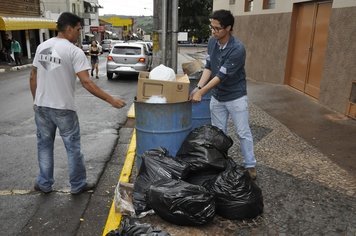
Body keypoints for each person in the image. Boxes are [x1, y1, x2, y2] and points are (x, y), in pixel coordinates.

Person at [29, 12, 127, 195]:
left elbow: (33, 76)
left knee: (44, 146)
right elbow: (87, 82)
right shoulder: (74, 51)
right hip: (63, 108)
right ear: (68, 28)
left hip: (42, 107)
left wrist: (37, 101)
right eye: (78, 29)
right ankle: (78, 184)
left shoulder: (42, 46)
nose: (79, 33)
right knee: (73, 147)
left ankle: (44, 183)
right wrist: (111, 100)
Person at [190, 9, 257, 180]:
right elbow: (209, 67)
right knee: (218, 134)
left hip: (236, 96)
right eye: (211, 27)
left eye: (217, 28)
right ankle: (222, 164)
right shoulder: (213, 42)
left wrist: (202, 92)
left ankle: (250, 165)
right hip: (218, 97)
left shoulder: (237, 49)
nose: (213, 31)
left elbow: (221, 76)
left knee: (243, 132)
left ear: (228, 28)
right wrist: (198, 87)